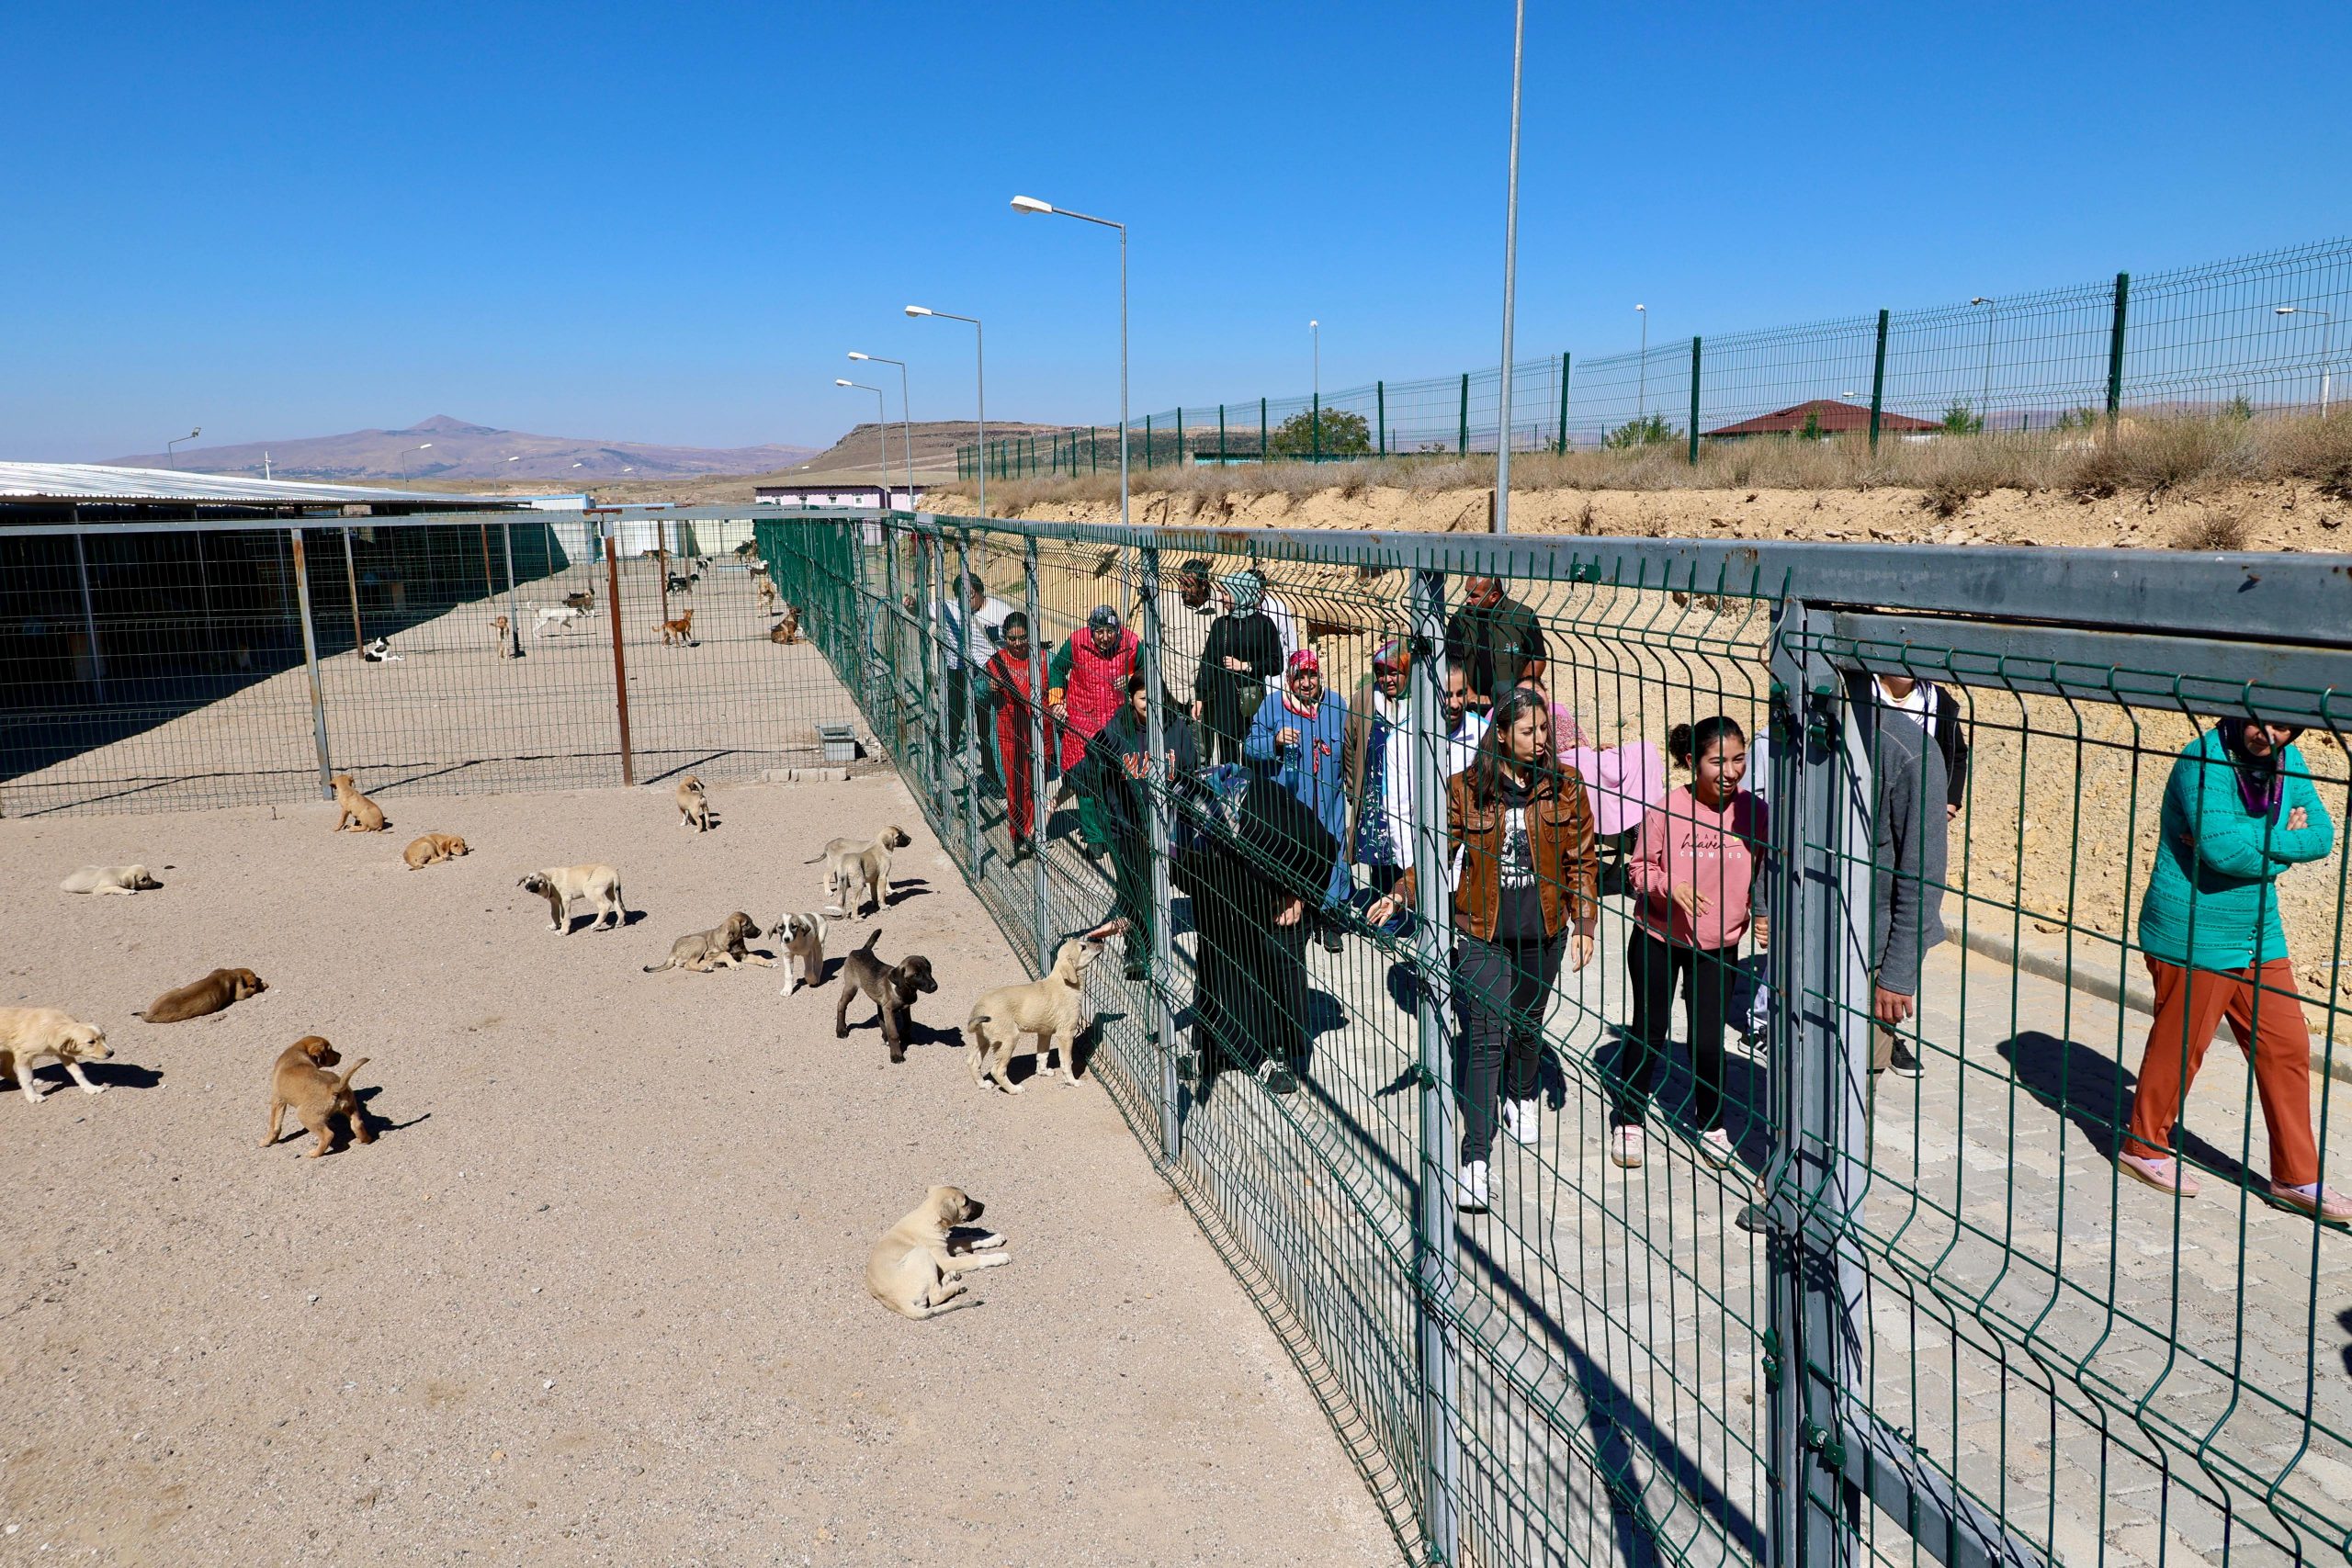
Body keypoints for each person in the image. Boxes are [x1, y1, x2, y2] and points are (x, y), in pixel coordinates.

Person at [1370, 687, 1600, 1213]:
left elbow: (1583, 858)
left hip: (1544, 928)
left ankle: (1520, 1091)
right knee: (1484, 1036)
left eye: (1544, 730)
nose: (1540, 740)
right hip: (1481, 929)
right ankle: (1475, 1159)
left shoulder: (1566, 786)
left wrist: (1585, 922)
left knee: (1528, 1024)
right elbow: (1437, 851)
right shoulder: (1467, 789)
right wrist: (1401, 892)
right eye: (1528, 731)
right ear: (1501, 734)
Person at [2119, 718, 2347, 1219]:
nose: (2269, 734)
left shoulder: (2288, 761)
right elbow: (2223, 854)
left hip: (2259, 929)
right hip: (2194, 928)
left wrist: (2255, 841)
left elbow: (2323, 836)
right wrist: (2281, 841)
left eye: (2285, 727)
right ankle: (2143, 1147)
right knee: (2183, 1044)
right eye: (2262, 719)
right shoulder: (2203, 758)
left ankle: (2296, 1177)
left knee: (2287, 1044)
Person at [1608, 717, 1769, 1172]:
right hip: (1659, 937)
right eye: (1718, 761)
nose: (1730, 771)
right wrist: (1669, 886)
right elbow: (1638, 870)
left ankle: (1711, 1123)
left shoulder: (1754, 812)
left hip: (1719, 945)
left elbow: (1763, 869)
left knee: (1708, 1039)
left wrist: (1761, 912)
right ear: (1691, 761)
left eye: (1738, 760)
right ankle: (1629, 1116)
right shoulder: (1665, 810)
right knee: (1650, 1029)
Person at [1171, 761, 1339, 1097]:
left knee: (1275, 960)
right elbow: (1184, 874)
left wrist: (1300, 894)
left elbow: (1323, 845)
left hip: (1284, 884)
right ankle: (1216, 1047)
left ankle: (1276, 1053)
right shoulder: (1180, 821)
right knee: (1216, 956)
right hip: (1227, 879)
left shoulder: (1266, 819)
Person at [1246, 648, 1354, 953]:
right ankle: (1293, 910)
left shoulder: (1336, 705)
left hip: (1329, 803)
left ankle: (1330, 920)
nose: (1307, 683)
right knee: (1291, 856)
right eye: (1300, 677)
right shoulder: (1272, 705)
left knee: (1333, 852)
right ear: (1289, 679)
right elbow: (1249, 747)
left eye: (1312, 675)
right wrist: (1275, 742)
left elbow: (1350, 748)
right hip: (1290, 806)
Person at [1864, 701, 1951, 1083]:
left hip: (1870, 954)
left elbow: (1922, 879)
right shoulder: (1800, 727)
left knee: (1857, 1083)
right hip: (1807, 947)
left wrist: (1896, 976)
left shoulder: (1909, 752)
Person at [1099, 674, 1199, 981]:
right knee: (1136, 889)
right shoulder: (1117, 729)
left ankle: (1157, 937)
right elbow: (1093, 766)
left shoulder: (1176, 728)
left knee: (1158, 886)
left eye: (1155, 697)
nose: (1150, 704)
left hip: (1168, 825)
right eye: (1143, 698)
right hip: (1127, 824)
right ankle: (1138, 950)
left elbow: (1191, 773)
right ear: (1131, 699)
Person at [1047, 605, 1139, 862]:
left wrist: (1131, 678)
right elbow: (1057, 669)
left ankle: (1115, 828)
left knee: (1116, 779)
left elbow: (1148, 674)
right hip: (1082, 723)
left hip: (1117, 724)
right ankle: (1094, 836)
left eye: (1110, 631)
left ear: (1118, 630)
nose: (1105, 637)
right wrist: (1057, 700)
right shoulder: (1076, 642)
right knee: (1084, 782)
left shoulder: (1132, 644)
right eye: (1099, 632)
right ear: (1091, 631)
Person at [1344, 638, 1418, 906]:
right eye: (1380, 672)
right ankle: (1384, 919)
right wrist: (1353, 788)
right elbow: (1350, 745)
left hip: (1411, 802)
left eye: (1394, 672)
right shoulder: (1365, 698)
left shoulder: (1421, 701)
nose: (1386, 679)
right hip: (1376, 802)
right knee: (1382, 868)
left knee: (1413, 863)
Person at [930, 571, 1016, 791]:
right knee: (949, 720)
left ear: (978, 592)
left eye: (968, 595)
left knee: (987, 728)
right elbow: (922, 609)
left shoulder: (1001, 611)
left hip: (988, 676)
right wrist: (911, 604)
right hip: (958, 672)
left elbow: (1019, 636)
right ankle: (939, 770)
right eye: (960, 596)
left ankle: (993, 778)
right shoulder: (950, 607)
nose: (964, 601)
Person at [981, 612, 1053, 860]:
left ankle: (1035, 830)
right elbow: (980, 692)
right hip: (1011, 733)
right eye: (1012, 639)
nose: (1018, 643)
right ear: (1005, 638)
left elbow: (1055, 689)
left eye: (1023, 637)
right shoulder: (996, 662)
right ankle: (1019, 833)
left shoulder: (1042, 658)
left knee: (1037, 784)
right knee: (1016, 786)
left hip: (1040, 731)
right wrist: (989, 686)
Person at [1195, 572, 1283, 766]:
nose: (1221, 598)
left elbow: (1277, 663)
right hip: (1226, 700)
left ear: (1242, 593)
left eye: (1226, 593)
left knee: (1255, 751)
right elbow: (1208, 662)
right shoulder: (1220, 625)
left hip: (1253, 700)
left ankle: (1254, 785)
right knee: (1228, 760)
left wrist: (1246, 666)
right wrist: (1200, 697)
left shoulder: (1264, 625)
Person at [1870, 671, 1970, 821]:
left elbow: (1956, 754)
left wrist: (1950, 805)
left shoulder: (1937, 700)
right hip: (1869, 801)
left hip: (1919, 809)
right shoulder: (1863, 691)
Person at [1445, 575, 1548, 713]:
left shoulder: (1522, 616)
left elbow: (1537, 659)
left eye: (1474, 595)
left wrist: (1519, 693)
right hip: (1473, 706)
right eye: (1467, 593)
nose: (1467, 600)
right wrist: (1469, 694)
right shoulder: (1460, 619)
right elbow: (1453, 662)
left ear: (1493, 596)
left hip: (1512, 706)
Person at [1144, 557, 1218, 724]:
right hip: (1173, 693)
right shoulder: (1167, 603)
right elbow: (1153, 645)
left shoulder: (1220, 606)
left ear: (1203, 584)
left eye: (1187, 585)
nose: (1182, 589)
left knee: (1205, 739)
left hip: (1207, 696)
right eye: (1180, 583)